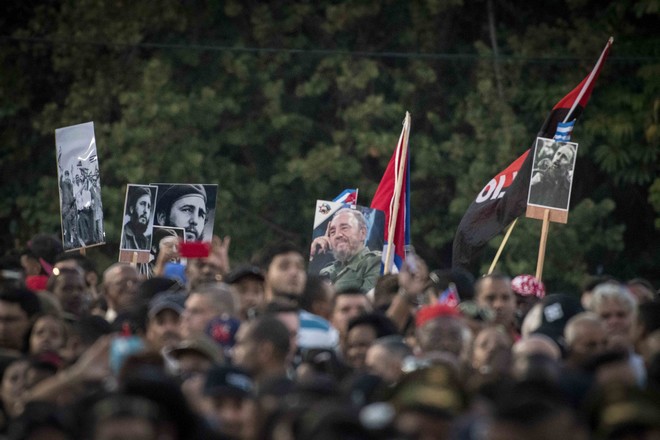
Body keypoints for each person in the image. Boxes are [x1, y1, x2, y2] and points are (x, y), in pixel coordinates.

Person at [311, 208, 382, 292]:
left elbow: (367, 299)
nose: (337, 235)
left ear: (362, 233)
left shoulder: (375, 261)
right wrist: (312, 255)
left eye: (344, 228)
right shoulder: (325, 270)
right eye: (332, 232)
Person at [529, 142, 576, 209]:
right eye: (558, 154)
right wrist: (532, 184)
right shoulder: (535, 175)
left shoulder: (568, 191)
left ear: (570, 167)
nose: (558, 158)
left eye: (564, 157)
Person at [121, 186, 153, 251]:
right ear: (132, 209)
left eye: (148, 207)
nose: (146, 211)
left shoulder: (145, 241)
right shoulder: (122, 236)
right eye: (142, 204)